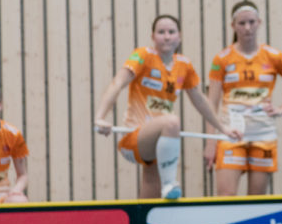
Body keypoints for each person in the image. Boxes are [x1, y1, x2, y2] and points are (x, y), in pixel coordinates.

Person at [94, 15, 240, 199]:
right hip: (133, 139)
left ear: (179, 36)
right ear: (153, 37)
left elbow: (200, 101)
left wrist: (223, 128)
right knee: (172, 123)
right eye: (161, 32)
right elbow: (118, 83)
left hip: (158, 144)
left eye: (171, 32)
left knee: (150, 199)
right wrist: (100, 117)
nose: (167, 36)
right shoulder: (143, 56)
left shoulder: (184, 65)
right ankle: (169, 183)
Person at [204, 0, 282, 196]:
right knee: (225, 197)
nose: (247, 28)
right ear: (233, 26)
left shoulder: (273, 56)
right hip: (231, 134)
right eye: (242, 23)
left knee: (256, 201)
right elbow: (211, 104)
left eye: (252, 22)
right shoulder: (222, 59)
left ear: (259, 22)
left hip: (263, 135)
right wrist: (211, 143)